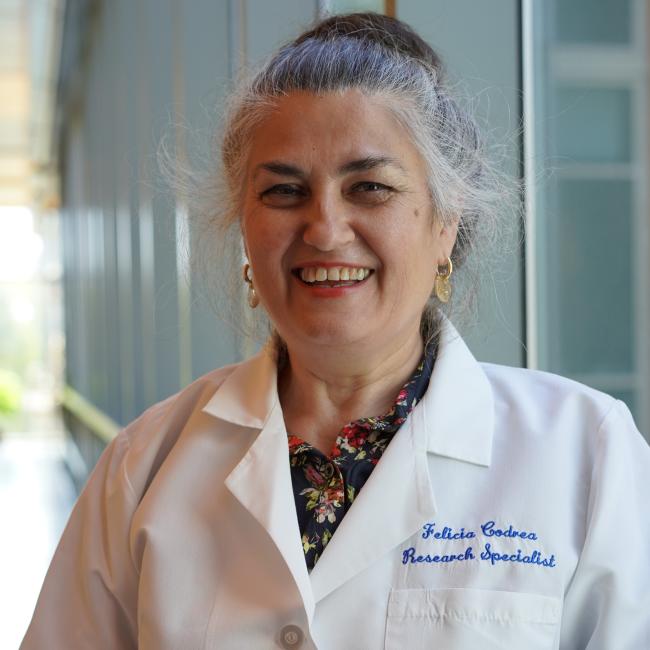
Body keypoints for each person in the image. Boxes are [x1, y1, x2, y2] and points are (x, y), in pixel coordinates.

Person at [22, 12, 650, 650]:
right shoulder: (144, 467)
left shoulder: (586, 453)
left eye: (370, 188)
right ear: (244, 228)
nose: (324, 229)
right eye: (284, 191)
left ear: (446, 224)